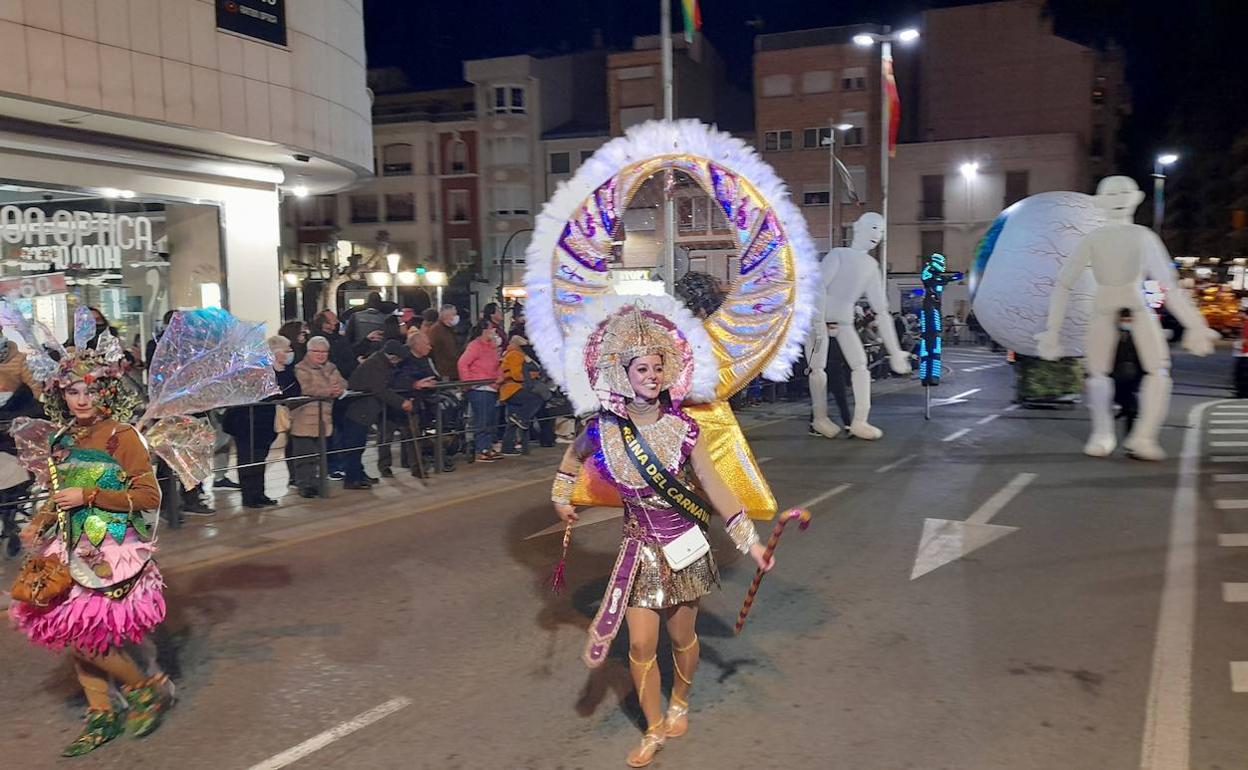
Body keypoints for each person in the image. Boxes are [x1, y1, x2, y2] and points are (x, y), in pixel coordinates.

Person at [549, 302, 772, 767]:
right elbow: (570, 460)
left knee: (683, 638)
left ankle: (681, 701)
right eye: (642, 368)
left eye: (657, 367)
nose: (651, 376)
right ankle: (652, 728)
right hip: (638, 554)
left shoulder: (684, 430)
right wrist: (561, 495)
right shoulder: (603, 430)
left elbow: (714, 487)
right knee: (639, 645)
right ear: (622, 374)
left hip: (685, 550)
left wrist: (749, 541)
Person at [10, 339, 173, 756]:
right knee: (72, 632)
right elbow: (59, 491)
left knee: (86, 637)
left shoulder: (122, 436)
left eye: (90, 390)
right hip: (66, 546)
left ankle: (144, 689)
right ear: (61, 394)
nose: (82, 400)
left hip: (111, 548)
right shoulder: (63, 437)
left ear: (108, 391)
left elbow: (149, 496)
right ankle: (101, 711)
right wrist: (39, 522)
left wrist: (91, 496)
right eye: (72, 391)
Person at [222, 335, 301, 508]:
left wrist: (281, 370)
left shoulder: (285, 371)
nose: (290, 354)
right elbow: (265, 393)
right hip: (246, 421)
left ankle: (260, 493)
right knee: (247, 459)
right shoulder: (256, 369)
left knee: (260, 458)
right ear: (276, 352)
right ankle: (249, 496)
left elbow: (293, 390)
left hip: (265, 422)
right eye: (287, 350)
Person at [342, 340, 413, 489]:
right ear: (392, 357)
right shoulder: (376, 365)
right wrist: (401, 402)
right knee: (354, 446)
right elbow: (380, 390)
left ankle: (359, 475)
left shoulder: (379, 362)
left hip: (364, 411)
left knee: (358, 446)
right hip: (358, 411)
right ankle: (352, 479)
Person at [378, 330, 439, 476]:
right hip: (392, 403)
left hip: (413, 402)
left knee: (414, 435)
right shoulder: (401, 357)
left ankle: (416, 468)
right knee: (386, 437)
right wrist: (414, 383)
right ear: (416, 345)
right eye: (426, 344)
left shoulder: (424, 359)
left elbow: (432, 376)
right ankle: (384, 467)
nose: (430, 347)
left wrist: (431, 382)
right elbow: (393, 379)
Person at [291, 336, 347, 498]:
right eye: (317, 351)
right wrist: (328, 390)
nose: (321, 355)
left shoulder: (331, 367)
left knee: (318, 454)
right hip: (305, 418)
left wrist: (339, 389)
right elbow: (306, 388)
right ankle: (304, 485)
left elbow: (343, 382)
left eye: (324, 352)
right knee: (304, 455)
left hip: (324, 418)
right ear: (309, 352)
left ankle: (316, 482)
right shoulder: (301, 368)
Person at [458, 322, 503, 463]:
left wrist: (499, 378)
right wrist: (469, 382)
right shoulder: (475, 346)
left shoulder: (491, 347)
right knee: (482, 419)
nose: (494, 331)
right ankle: (481, 449)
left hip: (491, 387)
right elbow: (462, 363)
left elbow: (496, 364)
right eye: (491, 329)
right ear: (484, 330)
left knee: (489, 419)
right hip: (479, 388)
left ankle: (486, 447)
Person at [498, 334, 545, 455]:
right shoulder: (515, 354)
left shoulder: (507, 353)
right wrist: (532, 376)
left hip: (509, 390)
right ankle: (521, 418)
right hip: (513, 389)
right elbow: (517, 375)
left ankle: (507, 448)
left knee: (513, 421)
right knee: (536, 400)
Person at [1112, 309, 1144, 434]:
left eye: (1129, 320)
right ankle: (1127, 409)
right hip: (1117, 371)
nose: (1126, 322)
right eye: (1124, 320)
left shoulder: (1139, 334)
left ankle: (1131, 415)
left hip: (1135, 371)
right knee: (1119, 395)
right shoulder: (1114, 333)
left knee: (1130, 397)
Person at [429, 304, 463, 381]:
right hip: (445, 372)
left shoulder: (449, 329)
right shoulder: (436, 330)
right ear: (446, 316)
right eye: (454, 314)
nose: (456, 317)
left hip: (453, 370)